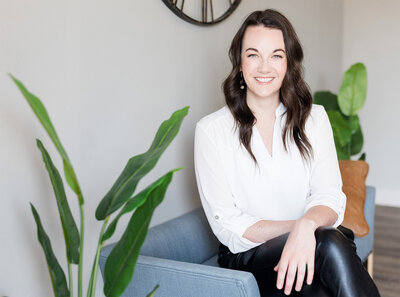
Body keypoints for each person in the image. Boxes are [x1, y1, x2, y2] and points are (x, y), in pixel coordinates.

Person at [194, 9, 380, 297]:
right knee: (329, 242)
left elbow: (330, 197)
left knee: (321, 289)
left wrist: (307, 227)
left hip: (317, 244)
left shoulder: (314, 119)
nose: (265, 67)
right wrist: (303, 230)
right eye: (253, 55)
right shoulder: (211, 131)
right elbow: (228, 224)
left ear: (288, 62)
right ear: (239, 63)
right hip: (250, 257)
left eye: (276, 55)